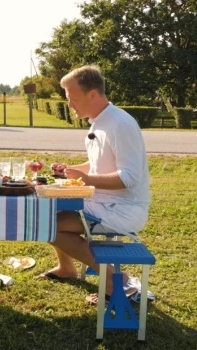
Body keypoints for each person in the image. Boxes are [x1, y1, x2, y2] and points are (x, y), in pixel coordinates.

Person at [36, 65, 151, 303]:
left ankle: (112, 281)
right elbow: (99, 163)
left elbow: (130, 177)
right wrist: (73, 170)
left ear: (92, 94)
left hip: (123, 209)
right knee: (48, 213)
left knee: (47, 225)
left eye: (72, 98)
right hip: (103, 202)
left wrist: (85, 180)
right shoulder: (99, 121)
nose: (70, 104)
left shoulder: (120, 124)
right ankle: (66, 268)